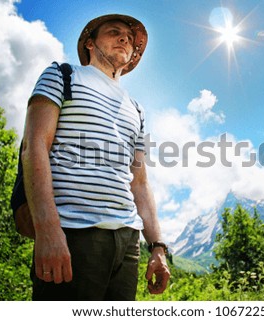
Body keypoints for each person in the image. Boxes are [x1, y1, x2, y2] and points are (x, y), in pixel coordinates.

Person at [21, 14, 170, 300]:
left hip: (128, 242)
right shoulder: (62, 75)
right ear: (90, 42)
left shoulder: (136, 109)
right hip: (74, 234)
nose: (125, 38)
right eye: (114, 32)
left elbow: (139, 182)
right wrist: (48, 231)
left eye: (129, 37)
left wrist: (157, 247)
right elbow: (35, 146)